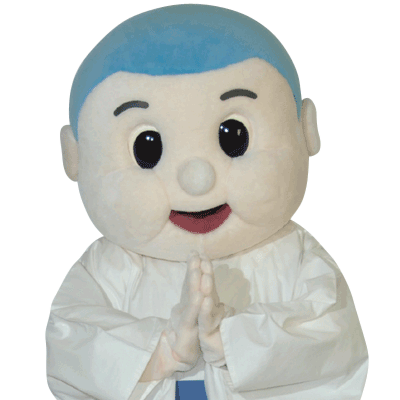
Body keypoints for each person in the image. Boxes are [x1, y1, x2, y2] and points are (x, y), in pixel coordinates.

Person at [46, 4, 368, 400]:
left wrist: (233, 340)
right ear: (75, 156)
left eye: (234, 136)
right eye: (148, 148)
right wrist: (163, 350)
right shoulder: (109, 267)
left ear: (306, 130)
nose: (197, 180)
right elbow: (71, 341)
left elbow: (331, 335)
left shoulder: (293, 253)